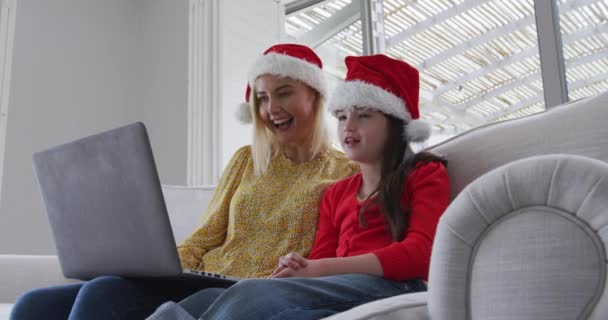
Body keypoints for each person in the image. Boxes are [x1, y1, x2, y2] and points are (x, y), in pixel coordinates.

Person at [9, 44, 358, 320]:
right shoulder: (245, 160)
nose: (271, 109)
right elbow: (205, 237)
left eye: (283, 93)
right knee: (32, 305)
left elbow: (333, 257)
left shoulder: (346, 172)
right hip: (198, 280)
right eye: (262, 98)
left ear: (315, 95)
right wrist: (158, 267)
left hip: (249, 294)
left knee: (104, 295)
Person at [147, 54, 450, 320]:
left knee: (252, 295)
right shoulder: (337, 193)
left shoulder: (423, 172)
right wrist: (300, 267)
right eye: (343, 116)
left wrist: (317, 270)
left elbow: (421, 253)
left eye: (364, 115)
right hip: (336, 286)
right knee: (203, 300)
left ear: (397, 124)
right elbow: (319, 260)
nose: (348, 126)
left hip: (395, 283)